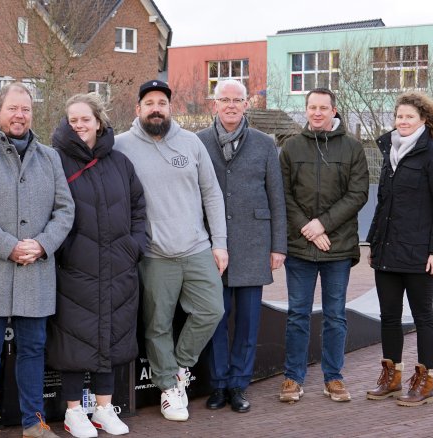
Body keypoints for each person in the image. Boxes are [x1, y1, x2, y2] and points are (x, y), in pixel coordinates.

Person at [0, 82, 73, 438]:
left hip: (36, 268)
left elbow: (65, 210)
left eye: (26, 109)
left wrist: (41, 245)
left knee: (34, 348)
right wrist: (9, 246)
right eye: (13, 109)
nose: (20, 116)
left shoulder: (50, 157)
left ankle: (33, 422)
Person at [114, 80, 227, 422]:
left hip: (195, 247)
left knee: (211, 310)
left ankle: (179, 367)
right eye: (149, 103)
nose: (156, 108)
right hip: (154, 254)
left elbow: (212, 195)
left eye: (162, 102)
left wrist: (219, 243)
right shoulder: (121, 146)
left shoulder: (191, 143)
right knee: (157, 324)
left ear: (170, 108)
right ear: (138, 109)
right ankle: (169, 389)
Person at [47, 93, 146, 437]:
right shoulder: (55, 160)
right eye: (72, 120)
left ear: (99, 122)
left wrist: (135, 246)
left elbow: (138, 208)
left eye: (85, 119)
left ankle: (104, 408)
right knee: (75, 339)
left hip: (119, 264)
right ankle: (74, 412)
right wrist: (64, 252)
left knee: (111, 336)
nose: (79, 126)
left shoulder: (120, 162)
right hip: (76, 266)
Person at [196, 79, 287, 413]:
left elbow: (277, 197)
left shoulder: (265, 143)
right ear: (214, 104)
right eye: (225, 99)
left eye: (237, 100)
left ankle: (239, 386)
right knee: (216, 319)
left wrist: (279, 246)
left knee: (248, 323)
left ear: (247, 104)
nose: (231, 105)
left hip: (254, 244)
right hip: (212, 246)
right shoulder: (198, 143)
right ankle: (219, 385)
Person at [279, 88, 369, 404]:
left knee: (335, 316)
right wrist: (308, 227)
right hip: (301, 248)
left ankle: (334, 378)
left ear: (334, 111)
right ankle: (293, 378)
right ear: (306, 111)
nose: (317, 112)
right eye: (312, 107)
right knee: (297, 315)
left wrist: (323, 224)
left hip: (338, 248)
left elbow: (358, 195)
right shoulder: (290, 148)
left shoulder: (353, 148)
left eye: (323, 108)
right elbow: (283, 195)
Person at [365, 91, 433, 407]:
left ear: (423, 121)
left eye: (409, 117)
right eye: (399, 116)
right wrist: (374, 242)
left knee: (423, 318)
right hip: (387, 251)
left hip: (419, 254)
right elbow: (383, 203)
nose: (402, 122)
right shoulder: (390, 152)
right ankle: (392, 376)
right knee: (388, 317)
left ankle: (425, 380)